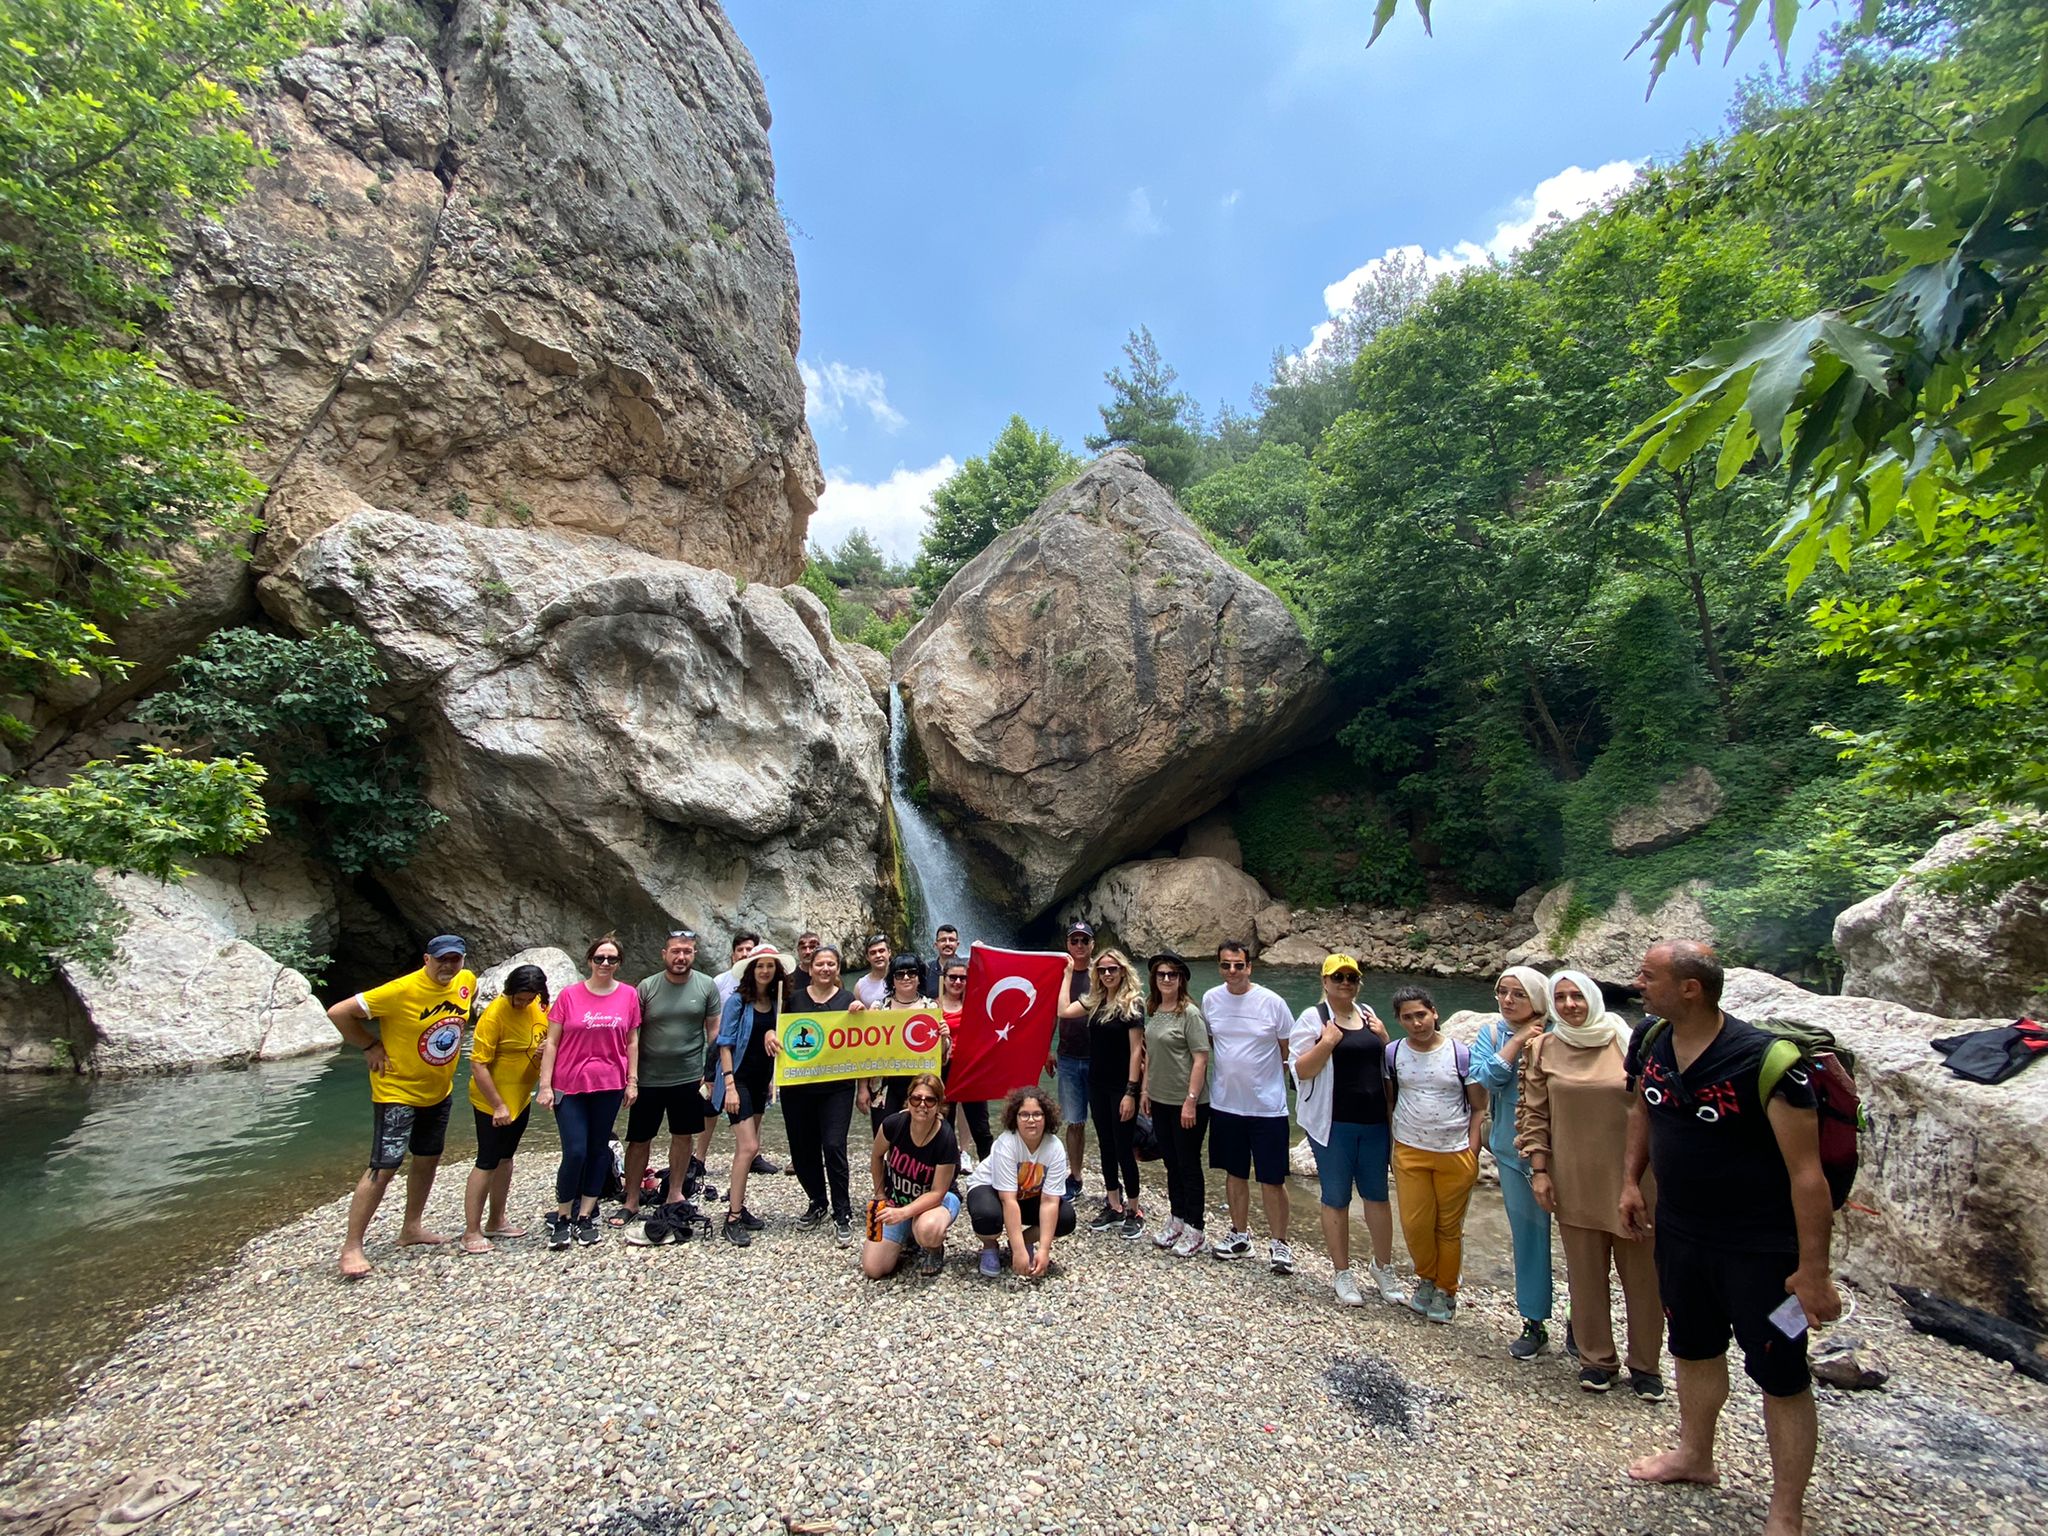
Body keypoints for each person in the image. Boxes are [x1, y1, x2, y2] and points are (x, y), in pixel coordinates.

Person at [1622, 941, 1839, 1536]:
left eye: (1650, 976)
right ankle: (1696, 1455)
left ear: (1690, 988)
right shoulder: (1650, 1041)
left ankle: (1787, 1507)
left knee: (1781, 1371)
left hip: (1762, 1249)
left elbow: (1807, 1174)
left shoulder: (1765, 1060)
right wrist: (1630, 1181)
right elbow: (1642, 1109)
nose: (1638, 983)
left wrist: (1813, 1270)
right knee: (1692, 1347)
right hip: (1682, 1233)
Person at [1518, 970, 1663, 1397]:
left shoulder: (1630, 1042)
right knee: (1584, 1276)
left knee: (1644, 1279)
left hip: (1633, 1178)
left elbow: (1654, 1108)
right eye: (1559, 997)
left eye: (1577, 996)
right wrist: (1540, 1170)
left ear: (1594, 999)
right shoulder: (1543, 1047)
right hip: (1573, 1175)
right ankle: (1596, 1359)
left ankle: (1646, 1365)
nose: (1568, 1005)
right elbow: (1534, 1114)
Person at [326, 935, 477, 1278]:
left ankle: (411, 1228)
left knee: (427, 1159)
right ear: (427, 959)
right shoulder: (399, 991)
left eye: (455, 959)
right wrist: (368, 1045)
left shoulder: (466, 983)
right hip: (397, 1092)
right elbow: (339, 1013)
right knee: (384, 1166)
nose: (449, 966)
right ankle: (351, 1247)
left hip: (438, 1092)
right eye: (442, 960)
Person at [1289, 955, 1403, 1306]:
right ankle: (1342, 1272)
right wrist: (1326, 1043)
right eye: (1337, 977)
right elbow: (1300, 1071)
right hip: (1333, 1124)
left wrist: (1385, 1038)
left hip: (1374, 1123)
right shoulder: (1314, 1018)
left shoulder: (1369, 1015)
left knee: (1378, 1197)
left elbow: (1386, 1065)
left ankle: (1382, 1267)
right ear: (1324, 981)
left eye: (1351, 977)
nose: (1345, 983)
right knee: (1336, 1197)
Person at [1384, 985, 1484, 1323]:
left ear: (1434, 1013)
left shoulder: (1460, 1053)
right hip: (1410, 1149)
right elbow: (1390, 1100)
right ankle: (1426, 1277)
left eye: (1421, 1015)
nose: (1416, 1023)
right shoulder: (1393, 1054)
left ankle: (1445, 1290)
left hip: (1454, 1151)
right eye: (1408, 1017)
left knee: (1448, 1226)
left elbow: (1478, 1106)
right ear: (1398, 1020)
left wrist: (1472, 1149)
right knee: (1415, 1223)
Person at [536, 934, 642, 1248]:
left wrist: (632, 1081)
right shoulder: (569, 995)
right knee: (575, 1151)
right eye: (600, 958)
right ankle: (563, 1215)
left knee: (598, 1150)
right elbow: (551, 1042)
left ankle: (585, 1215)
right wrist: (544, 1086)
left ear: (619, 963)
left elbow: (632, 1041)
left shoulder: (628, 995)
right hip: (568, 1084)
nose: (605, 964)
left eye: (612, 959)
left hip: (609, 1084)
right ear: (589, 961)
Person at [1473, 965, 1557, 1358]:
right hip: (1512, 1150)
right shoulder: (1491, 1034)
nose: (1508, 1000)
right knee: (1528, 1236)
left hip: (1564, 1152)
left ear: (1538, 998)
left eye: (1518, 994)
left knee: (1578, 1241)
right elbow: (1485, 1079)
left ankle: (1584, 1322)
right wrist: (1519, 1039)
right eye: (1503, 992)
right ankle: (1533, 1319)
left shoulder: (1561, 1034)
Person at [1201, 940, 1296, 1272]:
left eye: (1238, 965)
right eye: (1226, 965)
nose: (1232, 971)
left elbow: (1289, 1052)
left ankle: (1280, 1243)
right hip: (1226, 1103)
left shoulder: (1272, 1003)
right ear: (1219, 967)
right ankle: (1239, 1234)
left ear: (1249, 967)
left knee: (1272, 1178)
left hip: (1267, 1107)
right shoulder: (1211, 999)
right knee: (1234, 1173)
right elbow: (1213, 1043)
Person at [619, 930, 720, 1223]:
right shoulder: (647, 987)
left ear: (694, 955)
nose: (681, 957)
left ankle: (675, 1191)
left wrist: (710, 1073)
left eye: (687, 952)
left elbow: (713, 1032)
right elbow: (632, 1034)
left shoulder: (706, 986)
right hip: (649, 1077)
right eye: (676, 951)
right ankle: (632, 1198)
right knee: (639, 1139)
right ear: (664, 954)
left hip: (688, 1076)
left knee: (683, 1135)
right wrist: (631, 1077)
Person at [460, 963, 549, 1254]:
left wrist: (542, 1050)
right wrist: (498, 1105)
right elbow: (478, 1064)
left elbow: (543, 1037)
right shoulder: (495, 1013)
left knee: (506, 1158)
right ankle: (471, 1231)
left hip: (520, 1097)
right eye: (518, 999)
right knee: (486, 1160)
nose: (522, 1004)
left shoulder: (538, 1005)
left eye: (528, 998)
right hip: (492, 1101)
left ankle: (496, 1219)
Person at [1060, 947, 1148, 1237]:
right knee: (1106, 1145)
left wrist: (1131, 1091)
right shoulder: (1095, 1001)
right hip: (1096, 1084)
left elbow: (1137, 1051)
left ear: (1123, 971)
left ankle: (1134, 1209)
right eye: (1102, 970)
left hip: (1120, 1086)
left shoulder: (1132, 1004)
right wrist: (1069, 973)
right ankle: (1113, 1203)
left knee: (1124, 1147)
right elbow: (1062, 1010)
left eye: (1113, 969)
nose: (1108, 974)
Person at [713, 944, 795, 1246]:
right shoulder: (738, 1001)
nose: (764, 970)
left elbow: (782, 1038)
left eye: (770, 966)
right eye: (759, 965)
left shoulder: (776, 1002)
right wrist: (730, 1085)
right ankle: (732, 1217)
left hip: (760, 1082)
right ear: (751, 969)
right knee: (748, 1147)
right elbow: (725, 1044)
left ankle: (740, 1206)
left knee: (746, 1148)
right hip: (739, 1081)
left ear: (776, 971)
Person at [782, 943, 863, 1245]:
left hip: (837, 1088)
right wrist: (770, 1035)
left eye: (831, 964)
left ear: (838, 969)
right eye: (820, 964)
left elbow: (864, 1042)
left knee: (833, 1145)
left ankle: (843, 1211)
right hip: (798, 1087)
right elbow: (779, 1032)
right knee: (802, 1149)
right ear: (811, 968)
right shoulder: (793, 1000)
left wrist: (861, 1014)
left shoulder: (847, 1000)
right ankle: (817, 1200)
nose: (825, 969)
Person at [1140, 949, 1210, 1257]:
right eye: (1161, 974)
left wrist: (1191, 1101)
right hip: (1160, 1098)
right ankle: (1177, 1218)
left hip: (1187, 1101)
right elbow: (1150, 1056)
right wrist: (1145, 1091)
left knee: (1188, 1163)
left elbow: (1200, 1058)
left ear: (1181, 979)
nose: (1166, 979)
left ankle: (1196, 1227)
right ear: (1154, 979)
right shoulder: (1154, 1009)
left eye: (1172, 974)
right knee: (1171, 1162)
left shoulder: (1190, 1013)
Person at [967, 1086, 1076, 1278]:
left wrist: (1044, 1249)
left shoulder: (1055, 1148)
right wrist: (1018, 1253)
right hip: (991, 1189)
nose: (1031, 1120)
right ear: (1015, 1118)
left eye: (1037, 1114)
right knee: (987, 1217)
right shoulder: (1006, 1144)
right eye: (1024, 1115)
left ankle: (1023, 1241)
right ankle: (990, 1245)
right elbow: (1008, 1200)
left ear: (1047, 1117)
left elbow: (1050, 1201)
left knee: (1066, 1218)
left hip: (1028, 1194)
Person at [862, 1071, 961, 1278]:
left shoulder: (946, 1138)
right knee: (874, 1268)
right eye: (916, 1099)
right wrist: (880, 1194)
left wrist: (903, 1213)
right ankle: (907, 1236)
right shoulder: (893, 1124)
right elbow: (877, 1156)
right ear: (908, 1101)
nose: (922, 1105)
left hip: (937, 1202)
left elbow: (937, 1193)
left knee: (928, 1229)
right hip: (897, 1200)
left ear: (939, 1104)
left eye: (930, 1100)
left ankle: (934, 1249)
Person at [1049, 921, 1096, 1197]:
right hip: (1067, 1057)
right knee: (1074, 1121)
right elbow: (1050, 1014)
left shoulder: (1102, 975)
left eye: (1084, 941)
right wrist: (1046, 1050)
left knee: (1107, 1122)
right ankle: (1075, 1175)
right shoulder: (1060, 976)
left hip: (1098, 1058)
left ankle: (1115, 1179)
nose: (1079, 946)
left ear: (1092, 945)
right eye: (1074, 941)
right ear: (1067, 944)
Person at [864, 952, 930, 1133]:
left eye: (912, 973)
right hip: (884, 1085)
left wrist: (943, 1037)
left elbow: (941, 1055)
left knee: (917, 1134)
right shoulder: (878, 1008)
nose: (906, 977)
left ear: (919, 978)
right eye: (899, 974)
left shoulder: (931, 1008)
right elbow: (864, 1051)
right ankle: (884, 1163)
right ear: (892, 979)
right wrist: (862, 1088)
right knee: (883, 1133)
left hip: (920, 1082)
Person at [936, 956, 992, 1168]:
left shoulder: (975, 1004)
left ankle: (989, 1173)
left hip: (970, 1070)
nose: (957, 982)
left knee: (981, 1128)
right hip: (944, 1069)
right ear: (944, 978)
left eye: (962, 978)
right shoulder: (933, 1006)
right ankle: (948, 1178)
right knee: (945, 1127)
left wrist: (981, 954)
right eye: (953, 977)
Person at [920, 923, 962, 997]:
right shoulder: (926, 968)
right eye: (943, 940)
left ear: (957, 944)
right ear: (936, 945)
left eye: (951, 940)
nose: (947, 943)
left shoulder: (967, 968)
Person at [854, 935, 893, 1009]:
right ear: (867, 957)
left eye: (881, 951)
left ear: (889, 952)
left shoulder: (902, 978)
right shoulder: (860, 986)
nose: (878, 955)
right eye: (873, 953)